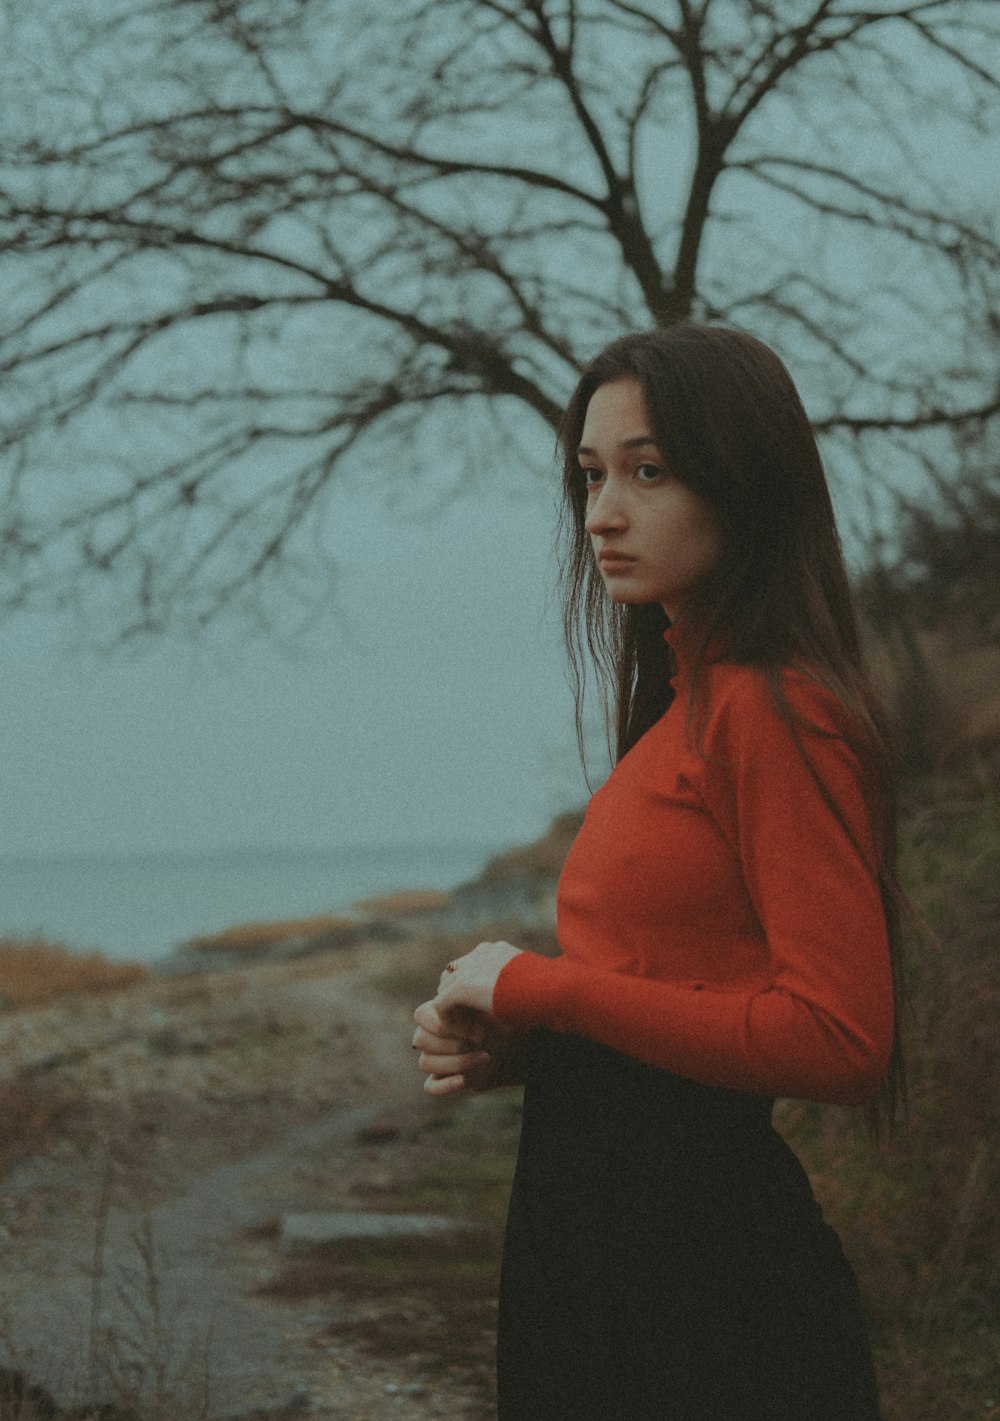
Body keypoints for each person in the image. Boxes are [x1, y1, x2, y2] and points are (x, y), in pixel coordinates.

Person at [412, 324, 903, 1420]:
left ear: (745, 483)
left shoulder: (780, 710)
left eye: (648, 470)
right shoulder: (685, 710)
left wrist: (547, 986)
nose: (601, 513)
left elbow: (840, 1036)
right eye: (591, 475)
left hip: (705, 1280)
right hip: (605, 1249)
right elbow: (697, 997)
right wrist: (527, 1047)